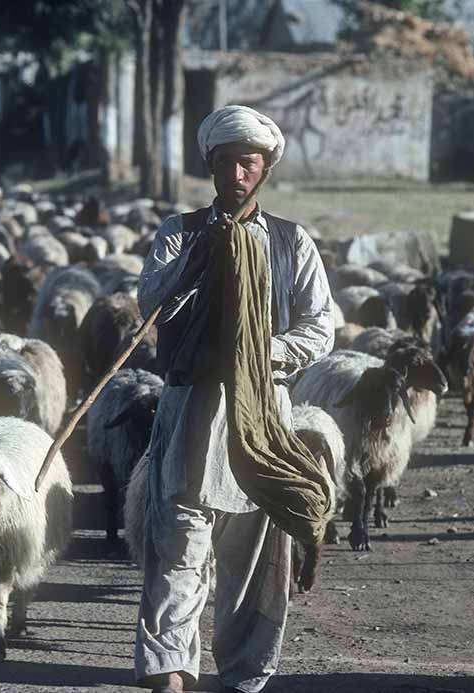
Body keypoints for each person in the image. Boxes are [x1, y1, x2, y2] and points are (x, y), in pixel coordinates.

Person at [134, 105, 335, 693]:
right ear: (211, 167)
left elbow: (321, 327)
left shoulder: (292, 242)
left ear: (265, 167)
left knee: (252, 552)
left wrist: (261, 352)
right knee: (177, 539)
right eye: (225, 163)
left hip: (260, 414)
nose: (236, 174)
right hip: (192, 407)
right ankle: (171, 669)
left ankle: (244, 674)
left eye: (248, 163)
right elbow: (153, 302)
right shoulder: (180, 233)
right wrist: (194, 264)